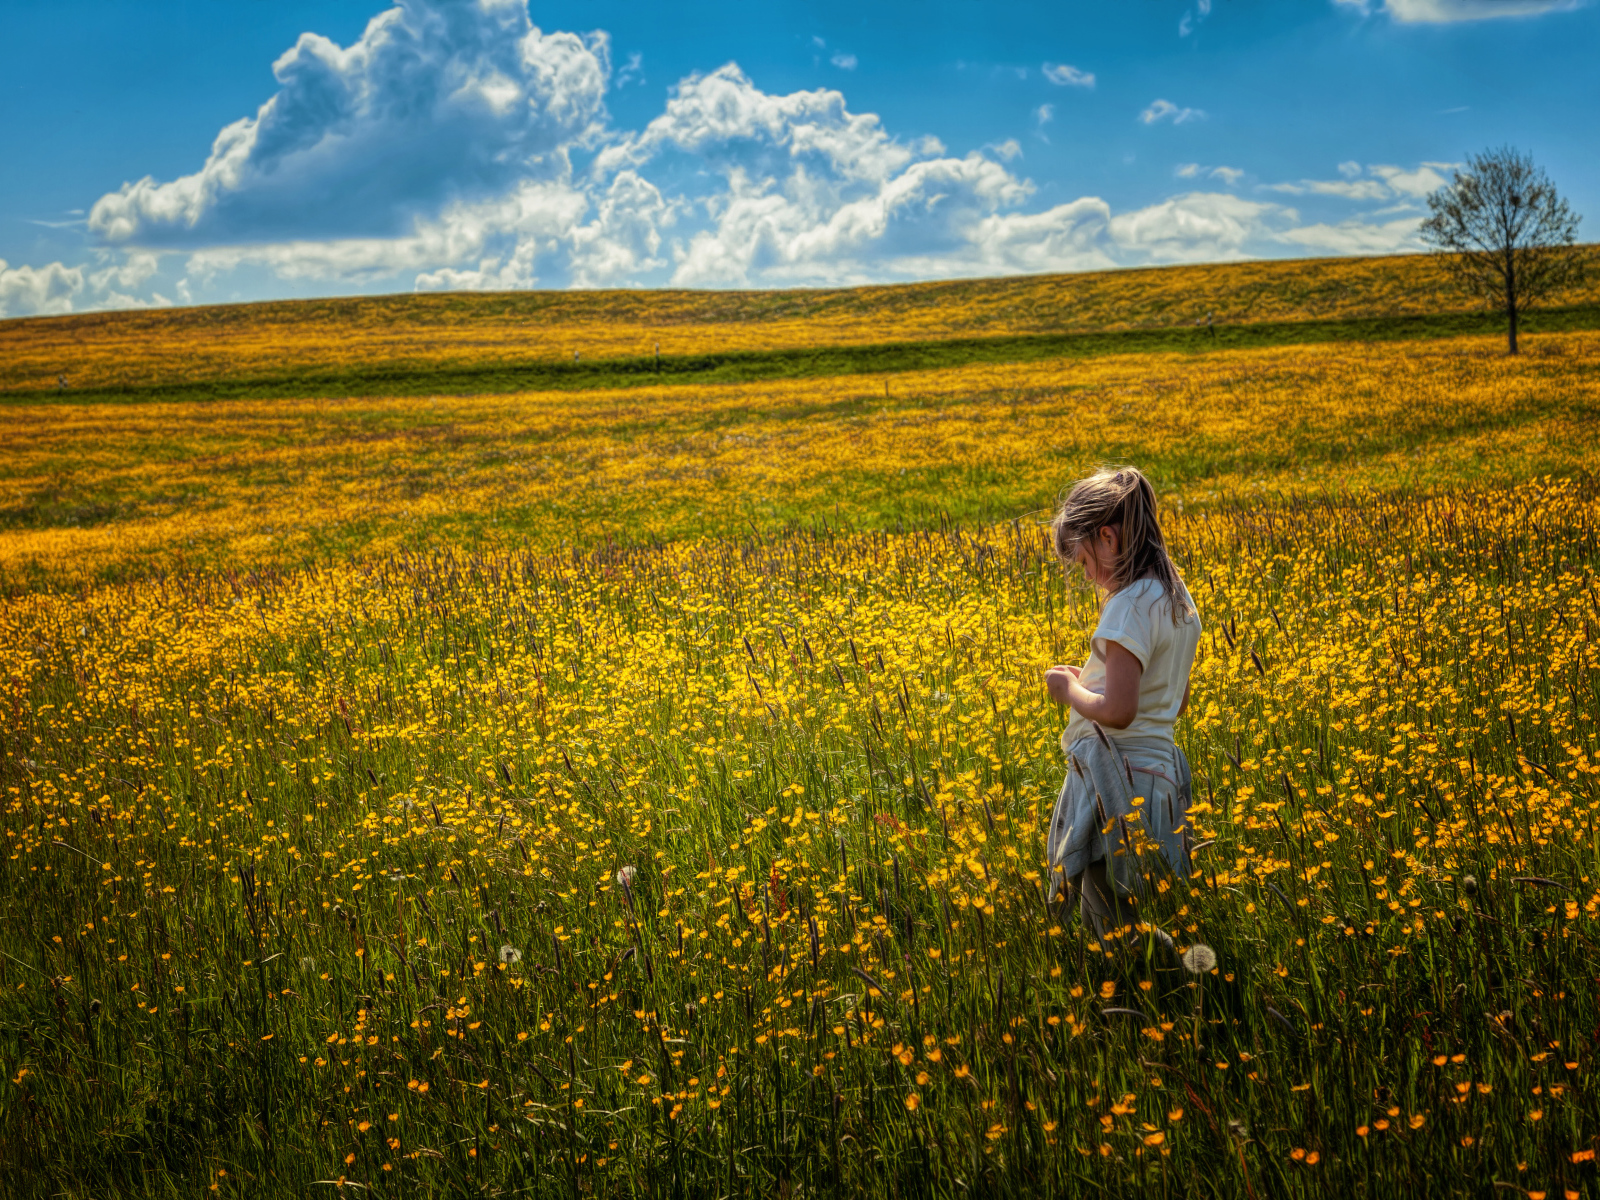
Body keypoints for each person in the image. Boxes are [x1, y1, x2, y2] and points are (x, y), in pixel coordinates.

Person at [1043, 466, 1202, 968]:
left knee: (1110, 926)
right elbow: (1170, 702)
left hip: (1119, 786)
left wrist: (1070, 690)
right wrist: (1096, 685)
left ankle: (1174, 983)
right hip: (1160, 781)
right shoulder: (1177, 600)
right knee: (1128, 916)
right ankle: (1176, 982)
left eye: (1086, 560)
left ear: (1108, 537)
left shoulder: (1127, 606)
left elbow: (1118, 710)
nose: (1087, 575)